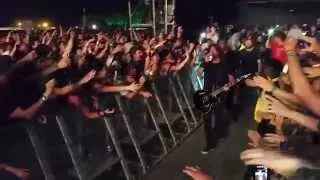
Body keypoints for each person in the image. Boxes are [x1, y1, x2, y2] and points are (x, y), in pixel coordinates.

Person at [196, 44, 234, 154]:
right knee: (207, 118)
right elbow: (198, 74)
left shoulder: (224, 64)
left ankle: (220, 132)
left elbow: (232, 80)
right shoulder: (207, 64)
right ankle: (210, 144)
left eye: (214, 50)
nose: (212, 52)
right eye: (210, 50)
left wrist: (228, 86)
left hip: (220, 93)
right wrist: (205, 62)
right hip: (207, 93)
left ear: (219, 52)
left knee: (218, 115)